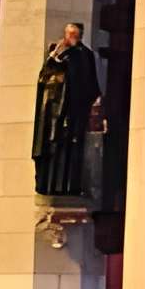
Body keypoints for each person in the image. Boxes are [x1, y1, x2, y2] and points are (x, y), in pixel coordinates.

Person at [32, 21, 102, 199]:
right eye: (67, 34)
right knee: (50, 149)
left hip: (72, 112)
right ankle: (46, 184)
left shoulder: (84, 55)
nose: (68, 38)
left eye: (73, 35)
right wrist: (54, 57)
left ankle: (69, 186)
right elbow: (44, 77)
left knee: (69, 151)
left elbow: (88, 84)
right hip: (53, 112)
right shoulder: (58, 52)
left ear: (79, 36)